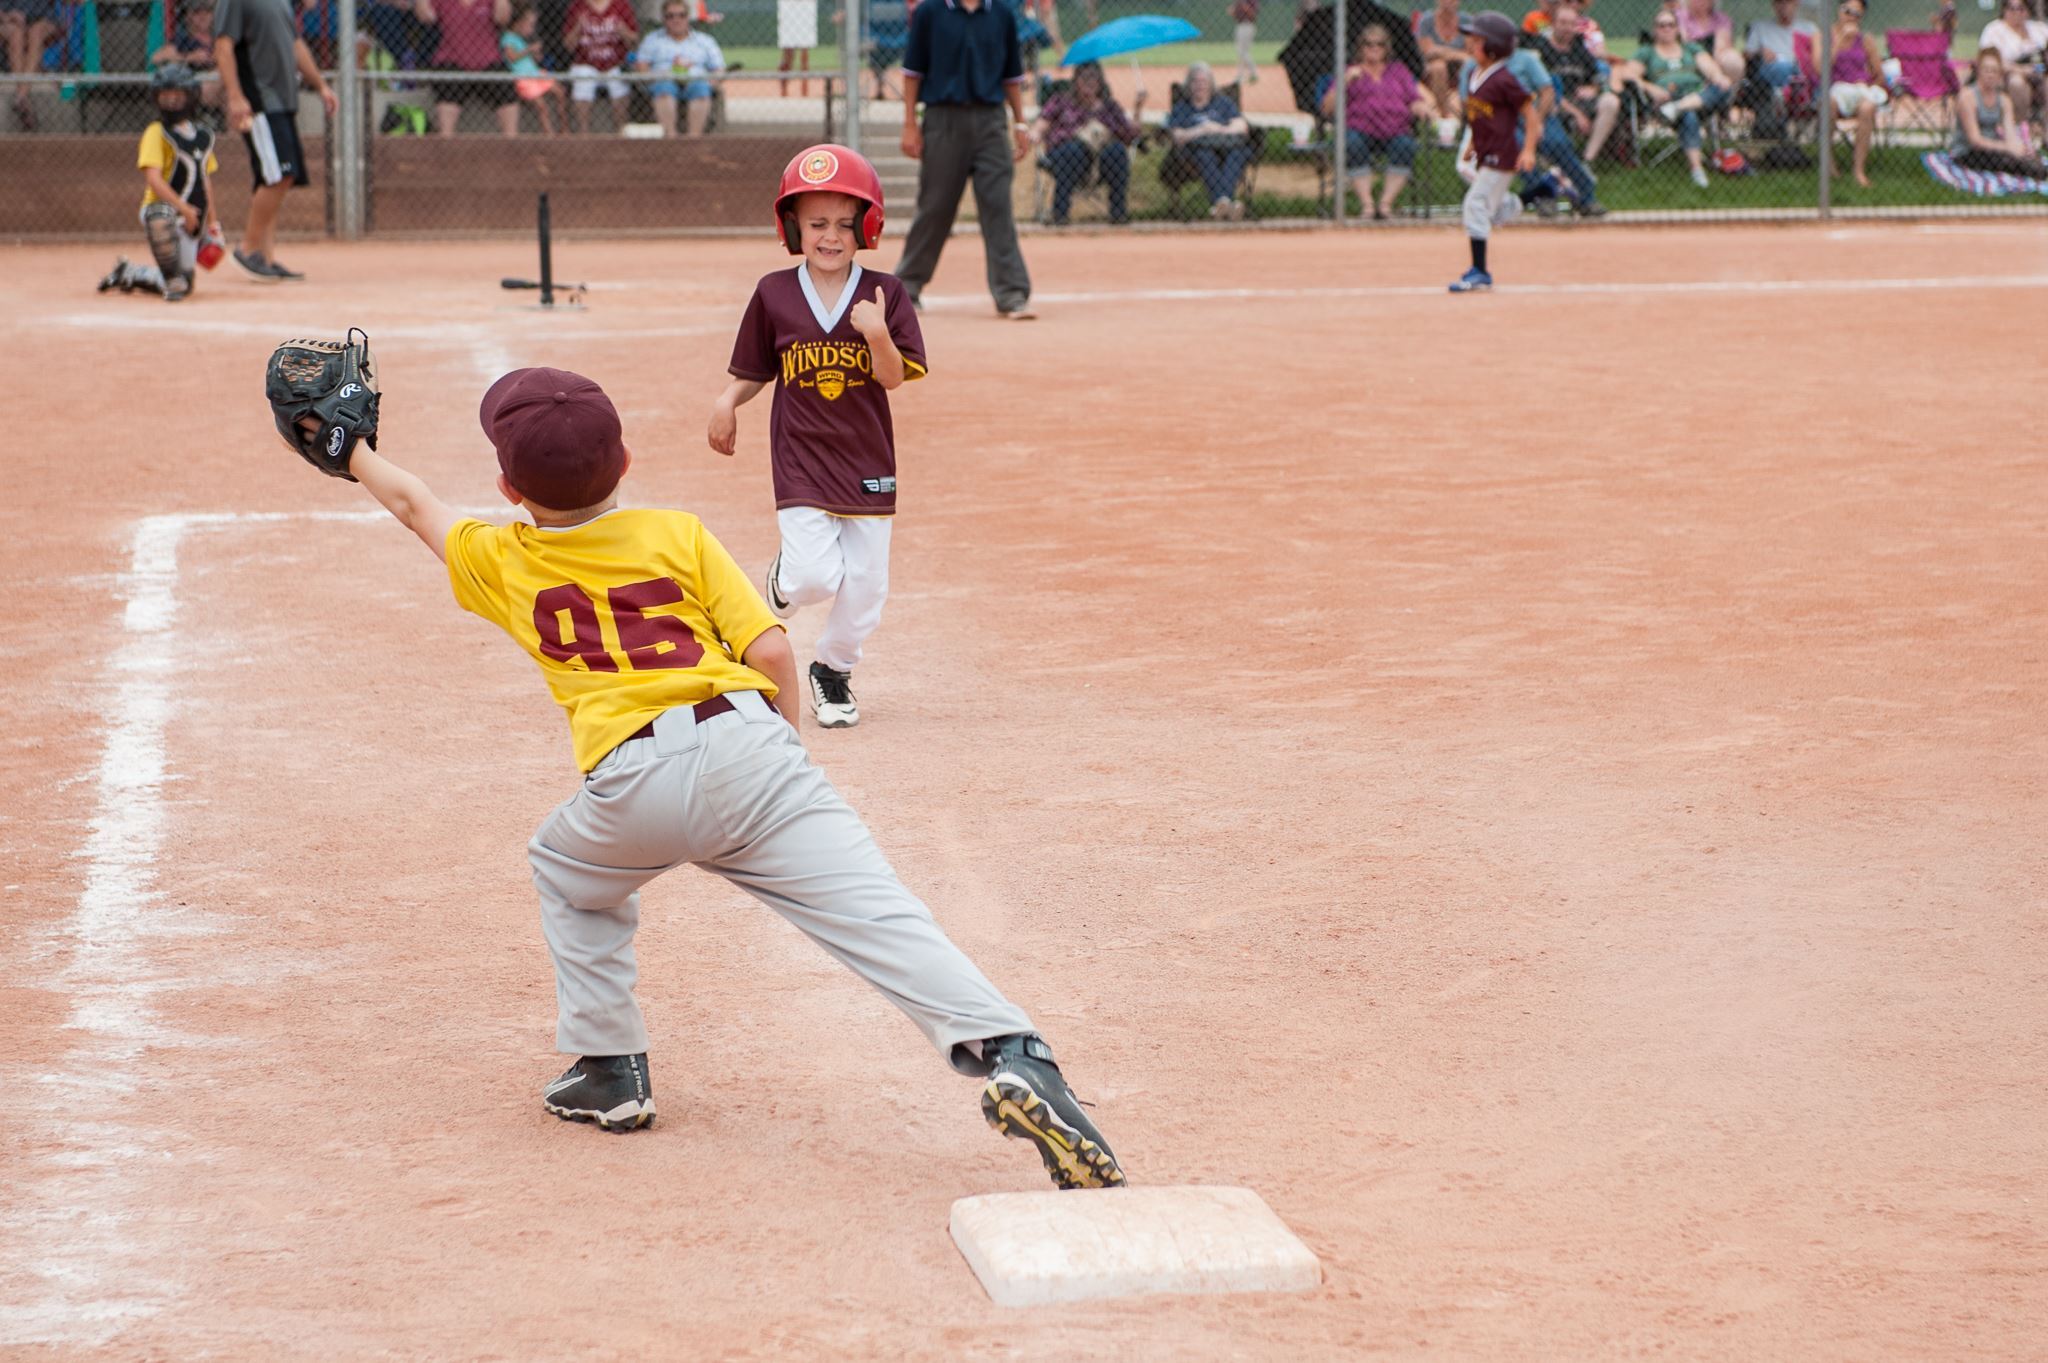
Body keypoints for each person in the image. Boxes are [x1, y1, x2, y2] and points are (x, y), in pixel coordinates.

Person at [271, 338, 1126, 1192]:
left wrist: (356, 451)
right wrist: (782, 757)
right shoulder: (677, 533)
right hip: (752, 746)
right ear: (627, 462)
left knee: (567, 870)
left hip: (631, 783)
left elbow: (418, 507)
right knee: (881, 915)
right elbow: (772, 649)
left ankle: (610, 1070)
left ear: (509, 492)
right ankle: (1017, 1053)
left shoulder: (506, 558)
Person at [708, 146, 921, 730]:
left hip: (867, 458)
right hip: (800, 457)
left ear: (866, 227)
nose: (830, 236)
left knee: (867, 587)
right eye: (816, 223)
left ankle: (831, 669)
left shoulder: (885, 293)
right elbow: (753, 368)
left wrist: (877, 333)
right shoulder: (774, 292)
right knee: (813, 577)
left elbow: (894, 377)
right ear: (793, 227)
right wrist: (728, 401)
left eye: (843, 224)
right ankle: (781, 580)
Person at [895, 0, 1034, 319]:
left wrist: (1020, 123)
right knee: (935, 206)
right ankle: (908, 287)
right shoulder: (930, 12)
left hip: (990, 123)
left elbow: (1012, 75)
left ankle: (1011, 293)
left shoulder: (1000, 14)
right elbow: (912, 72)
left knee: (998, 206)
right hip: (943, 120)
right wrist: (910, 124)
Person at [214, 0, 334, 280]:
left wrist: (321, 85)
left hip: (282, 100)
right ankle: (248, 249)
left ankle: (264, 259)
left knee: (273, 177)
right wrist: (234, 96)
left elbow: (296, 45)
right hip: (259, 99)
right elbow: (223, 47)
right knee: (279, 175)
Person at [95, 64, 222, 303]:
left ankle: (129, 273)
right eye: (166, 95)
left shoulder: (202, 136)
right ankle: (169, 278)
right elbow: (153, 179)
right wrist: (183, 209)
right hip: (162, 210)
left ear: (191, 96)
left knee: (185, 283)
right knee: (159, 216)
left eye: (178, 95)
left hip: (191, 216)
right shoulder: (156, 132)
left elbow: (205, 180)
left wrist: (213, 225)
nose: (172, 101)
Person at [1447, 11, 1536, 293]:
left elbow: (1531, 116)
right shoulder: (1474, 74)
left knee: (1475, 205)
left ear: (1493, 46)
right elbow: (1478, 116)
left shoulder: (1504, 79)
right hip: (1486, 151)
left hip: (1502, 154)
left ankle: (1480, 271)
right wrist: (1473, 144)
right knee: (1494, 213)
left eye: (1476, 41)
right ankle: (1544, 190)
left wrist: (1529, 149)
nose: (1469, 45)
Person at [1321, 24, 1434, 219]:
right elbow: (1327, 108)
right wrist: (1344, 82)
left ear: (1386, 48)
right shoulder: (1350, 71)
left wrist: (1420, 107)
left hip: (1395, 128)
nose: (1374, 48)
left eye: (1379, 44)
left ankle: (1385, 205)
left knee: (1405, 145)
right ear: (1360, 48)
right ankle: (1367, 205)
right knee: (1352, 144)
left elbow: (1413, 98)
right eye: (1368, 44)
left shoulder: (1398, 71)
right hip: (1360, 128)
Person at [1616, 7, 1730, 189]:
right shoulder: (1647, 52)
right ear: (1655, 30)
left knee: (1724, 86)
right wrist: (1650, 87)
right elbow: (1627, 74)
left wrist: (1718, 77)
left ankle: (1680, 106)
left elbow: (1711, 68)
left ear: (1677, 29)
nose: (1666, 29)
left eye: (1670, 25)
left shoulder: (1691, 48)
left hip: (1698, 97)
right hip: (1667, 100)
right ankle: (1697, 169)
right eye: (1661, 26)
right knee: (1689, 115)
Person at [1031, 59, 1142, 225]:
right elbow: (1042, 124)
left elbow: (1129, 135)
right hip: (1068, 156)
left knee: (1117, 151)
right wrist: (1034, 133)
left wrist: (1138, 108)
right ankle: (1060, 214)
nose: (1089, 82)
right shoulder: (1061, 101)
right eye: (1084, 78)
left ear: (1100, 82)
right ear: (1075, 81)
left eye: (1094, 78)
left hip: (1102, 160)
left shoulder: (1109, 107)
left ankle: (1118, 214)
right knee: (1073, 150)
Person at [1529, 2, 1614, 209]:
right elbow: (1548, 92)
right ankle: (1550, 184)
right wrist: (1576, 114)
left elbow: (1597, 74)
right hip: (1555, 104)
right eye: (1562, 23)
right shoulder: (1542, 47)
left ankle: (1586, 161)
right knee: (1552, 120)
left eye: (1571, 24)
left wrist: (1593, 89)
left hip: (1579, 101)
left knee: (1610, 101)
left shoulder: (1578, 46)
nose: (1567, 28)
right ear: (1553, 23)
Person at [415, 0, 518, 136]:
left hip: (487, 61)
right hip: (452, 59)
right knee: (447, 90)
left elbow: (503, 18)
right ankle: (446, 144)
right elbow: (426, 17)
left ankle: (511, 144)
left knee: (506, 91)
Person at [1165, 61, 1254, 219]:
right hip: (1196, 152)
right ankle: (1226, 204)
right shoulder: (1182, 107)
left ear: (1211, 84)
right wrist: (1201, 130)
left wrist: (1218, 129)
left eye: (1204, 82)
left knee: (1238, 154)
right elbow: (1177, 136)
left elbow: (1241, 126)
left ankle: (1220, 204)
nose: (1200, 86)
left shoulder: (1222, 103)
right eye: (1195, 82)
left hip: (1227, 149)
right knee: (1204, 155)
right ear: (1189, 85)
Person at [631, 0, 724, 138]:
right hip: (663, 81)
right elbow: (642, 66)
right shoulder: (652, 39)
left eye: (681, 15)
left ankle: (694, 138)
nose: (676, 20)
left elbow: (719, 68)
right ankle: (671, 138)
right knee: (664, 88)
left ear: (688, 17)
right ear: (664, 18)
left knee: (701, 89)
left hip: (695, 80)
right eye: (670, 16)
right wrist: (653, 77)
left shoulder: (704, 40)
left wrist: (711, 82)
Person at [1951, 46, 2048, 177]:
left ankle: (2036, 168)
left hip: (1994, 148)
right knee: (2009, 161)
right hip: (1968, 151)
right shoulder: (1967, 97)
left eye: (1994, 71)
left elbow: (2010, 133)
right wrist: (2007, 147)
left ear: (2000, 74)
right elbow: (1975, 140)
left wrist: (2018, 147)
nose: (1990, 75)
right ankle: (2038, 172)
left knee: (2020, 156)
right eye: (1987, 70)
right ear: (1979, 71)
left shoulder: (2003, 100)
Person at [1826, 0, 1888, 188]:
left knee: (1868, 107)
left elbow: (1879, 75)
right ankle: (1828, 164)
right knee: (1829, 104)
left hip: (1858, 90)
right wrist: (1840, 41)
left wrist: (1867, 84)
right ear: (1839, 9)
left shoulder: (1865, 40)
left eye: (1857, 14)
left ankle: (1858, 170)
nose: (1851, 16)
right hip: (1833, 89)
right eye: (1847, 11)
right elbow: (1820, 70)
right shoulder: (1825, 35)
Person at [1740, 0, 1817, 138]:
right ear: (1773, 5)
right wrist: (1760, 52)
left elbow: (1818, 56)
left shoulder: (1809, 29)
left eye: (1788, 3)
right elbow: (1746, 54)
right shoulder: (1760, 27)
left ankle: (1795, 107)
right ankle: (1782, 103)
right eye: (1780, 3)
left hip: (1800, 72)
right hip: (1770, 72)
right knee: (1781, 68)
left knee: (1799, 72)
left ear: (1797, 4)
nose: (1784, 7)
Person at [563, 0, 636, 134]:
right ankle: (584, 134)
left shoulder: (621, 5)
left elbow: (634, 41)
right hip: (585, 62)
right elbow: (568, 46)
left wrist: (623, 31)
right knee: (583, 79)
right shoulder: (578, 6)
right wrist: (578, 27)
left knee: (618, 83)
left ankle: (620, 132)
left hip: (615, 61)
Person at [1978, 0, 2047, 134]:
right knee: (2017, 83)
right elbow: (1989, 60)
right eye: (2011, 8)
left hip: (2040, 74)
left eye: (2021, 8)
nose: (2016, 13)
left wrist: (2038, 68)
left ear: (2027, 10)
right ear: (2004, 10)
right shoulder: (1994, 30)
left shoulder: (2039, 29)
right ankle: (2020, 129)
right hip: (2008, 76)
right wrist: (2021, 70)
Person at [502, 1, 565, 134]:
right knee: (542, 106)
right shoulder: (508, 37)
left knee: (560, 92)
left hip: (535, 73)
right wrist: (529, 50)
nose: (532, 29)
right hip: (523, 78)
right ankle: (549, 135)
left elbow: (532, 58)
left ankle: (564, 129)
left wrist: (536, 55)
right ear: (518, 23)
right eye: (530, 25)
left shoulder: (523, 39)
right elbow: (511, 57)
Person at [152, 0, 223, 112]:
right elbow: (157, 57)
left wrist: (219, 58)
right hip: (197, 86)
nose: (202, 16)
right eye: (197, 12)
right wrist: (191, 57)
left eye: (207, 12)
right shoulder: (184, 39)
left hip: (222, 86)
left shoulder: (221, 37)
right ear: (188, 17)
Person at [2, 0, 62, 128]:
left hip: (42, 18)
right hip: (9, 21)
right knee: (15, 34)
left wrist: (27, 16)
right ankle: (23, 99)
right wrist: (6, 17)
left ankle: (21, 95)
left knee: (36, 31)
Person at [1413, 0, 1466, 118]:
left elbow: (1470, 55)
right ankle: (1443, 115)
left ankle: (1456, 114)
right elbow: (1428, 51)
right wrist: (1458, 54)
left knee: (1467, 67)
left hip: (1458, 69)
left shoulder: (1466, 21)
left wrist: (1441, 51)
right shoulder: (1426, 21)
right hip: (1431, 70)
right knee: (1438, 66)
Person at [1673, 0, 1743, 86]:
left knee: (1733, 60)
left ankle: (1726, 93)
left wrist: (1713, 65)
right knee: (1699, 58)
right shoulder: (1679, 16)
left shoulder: (1721, 19)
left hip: (1714, 55)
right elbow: (1684, 41)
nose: (1700, 2)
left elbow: (1721, 46)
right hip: (1689, 53)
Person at [1232, 0, 1260, 86]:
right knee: (1242, 53)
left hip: (1248, 26)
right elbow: (1235, 13)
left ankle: (1253, 72)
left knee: (1241, 51)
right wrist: (1233, 11)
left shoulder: (1252, 1)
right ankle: (1241, 75)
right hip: (1240, 25)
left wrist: (1245, 6)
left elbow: (1254, 14)